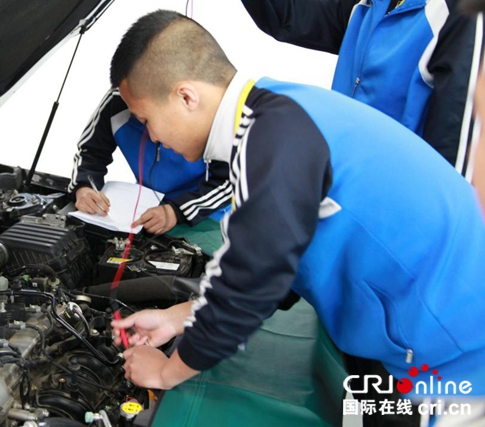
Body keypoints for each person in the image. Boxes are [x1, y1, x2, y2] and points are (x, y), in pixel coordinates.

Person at [109, 10, 485, 426]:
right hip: (415, 333)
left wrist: (165, 370)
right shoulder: (278, 111)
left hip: (447, 357)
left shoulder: (271, 137)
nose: (153, 137)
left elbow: (251, 283)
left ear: (185, 96)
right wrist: (178, 317)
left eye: (146, 121)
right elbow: (278, 255)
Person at [239, 0, 483, 175]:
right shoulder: (373, 3)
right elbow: (289, 13)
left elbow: (457, 165)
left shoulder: (460, 14)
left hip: (398, 219)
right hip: (345, 193)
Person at [68, 89, 231, 235]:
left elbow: (231, 181)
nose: (153, 136)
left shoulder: (210, 111)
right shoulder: (118, 98)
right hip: (145, 207)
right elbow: (91, 151)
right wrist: (84, 187)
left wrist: (176, 211)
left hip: (209, 213)